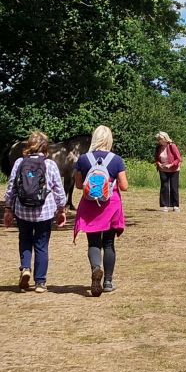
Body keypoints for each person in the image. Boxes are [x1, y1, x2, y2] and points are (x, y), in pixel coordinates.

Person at [3, 131, 68, 293]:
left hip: (22, 211)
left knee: (25, 240)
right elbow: (59, 190)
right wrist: (61, 209)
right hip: (44, 213)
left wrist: (8, 209)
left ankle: (25, 268)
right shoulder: (50, 165)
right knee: (41, 245)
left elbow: (11, 187)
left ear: (28, 146)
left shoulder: (19, 163)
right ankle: (40, 283)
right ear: (45, 147)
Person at [73, 125, 129, 296]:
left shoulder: (83, 159)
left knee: (93, 242)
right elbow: (124, 186)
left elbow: (77, 185)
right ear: (109, 140)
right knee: (109, 243)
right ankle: (108, 282)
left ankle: (96, 268)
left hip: (90, 205)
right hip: (110, 205)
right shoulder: (116, 159)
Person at [154, 131, 181, 211]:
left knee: (174, 187)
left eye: (160, 139)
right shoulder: (158, 147)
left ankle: (175, 205)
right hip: (163, 169)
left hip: (174, 169)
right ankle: (164, 205)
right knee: (164, 187)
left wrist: (171, 165)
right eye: (158, 139)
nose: (159, 141)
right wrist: (158, 163)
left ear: (165, 138)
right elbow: (156, 158)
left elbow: (178, 158)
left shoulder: (172, 146)